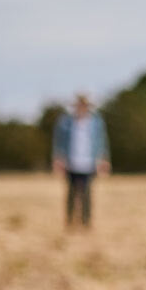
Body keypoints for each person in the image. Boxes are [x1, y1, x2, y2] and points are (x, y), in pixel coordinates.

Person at [51, 93, 110, 227]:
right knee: (71, 194)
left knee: (87, 195)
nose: (82, 107)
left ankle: (86, 222)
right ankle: (70, 221)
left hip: (89, 163)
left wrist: (104, 159)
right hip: (71, 162)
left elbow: (102, 142)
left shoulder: (96, 122)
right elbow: (59, 142)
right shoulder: (66, 121)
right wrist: (58, 159)